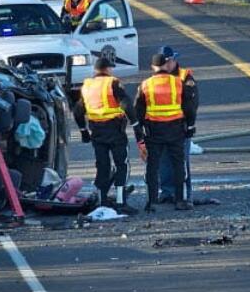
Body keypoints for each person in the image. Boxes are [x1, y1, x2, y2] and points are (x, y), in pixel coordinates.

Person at [134, 49, 198, 212]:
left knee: (153, 166)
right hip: (176, 130)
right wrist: (190, 126)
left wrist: (140, 133)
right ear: (164, 65)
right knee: (179, 164)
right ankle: (180, 200)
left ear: (153, 67)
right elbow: (189, 106)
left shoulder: (145, 84)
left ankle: (151, 202)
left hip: (153, 131)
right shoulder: (177, 82)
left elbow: (137, 111)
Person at [73, 57, 135, 211]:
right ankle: (121, 201)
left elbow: (78, 111)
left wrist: (83, 131)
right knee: (122, 164)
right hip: (115, 130)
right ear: (108, 69)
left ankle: (102, 200)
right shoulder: (112, 83)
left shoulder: (87, 85)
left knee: (102, 165)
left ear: (95, 70)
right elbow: (126, 104)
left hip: (97, 131)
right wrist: (136, 124)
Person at [153, 45, 197, 204]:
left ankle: (185, 193)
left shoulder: (185, 77)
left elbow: (191, 103)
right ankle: (167, 192)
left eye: (171, 61)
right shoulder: (156, 79)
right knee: (164, 161)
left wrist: (189, 125)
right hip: (161, 127)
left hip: (180, 126)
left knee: (181, 161)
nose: (168, 64)